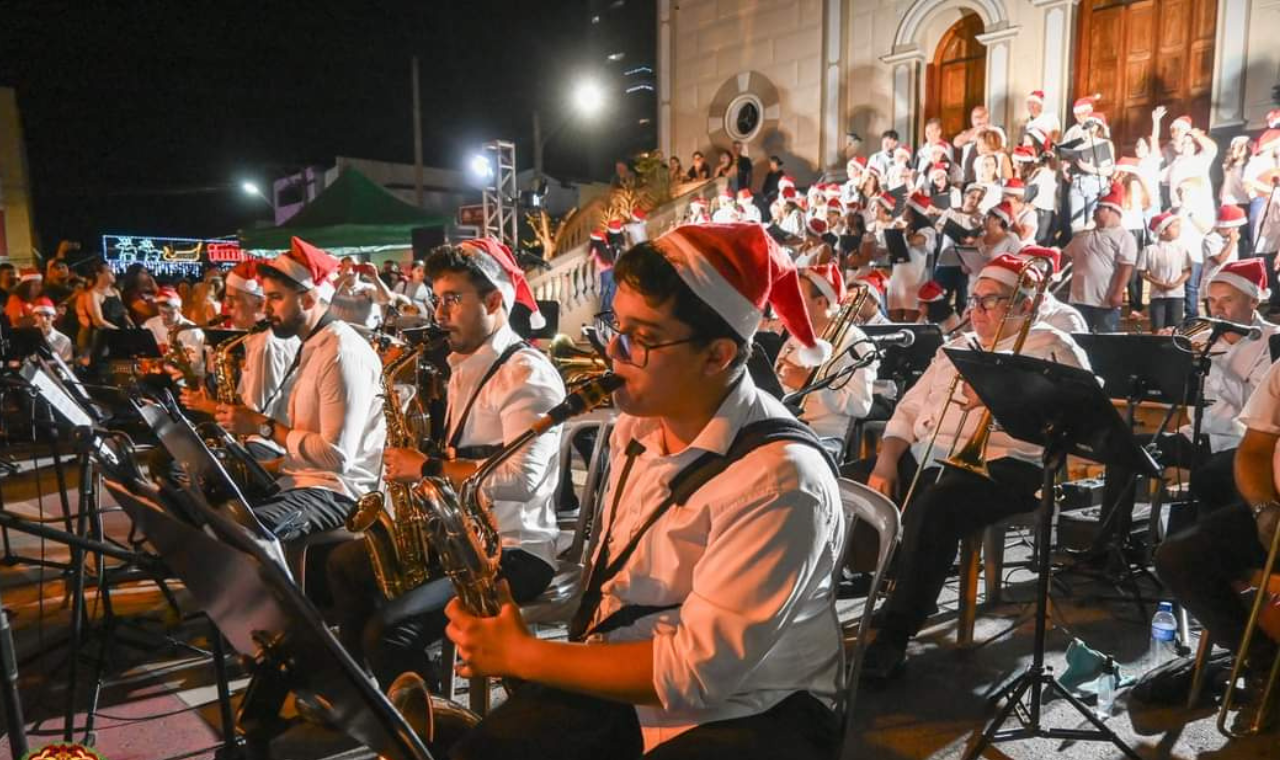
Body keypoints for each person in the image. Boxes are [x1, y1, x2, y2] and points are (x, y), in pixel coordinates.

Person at [444, 223, 845, 760]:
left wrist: (521, 655)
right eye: (617, 325)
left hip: (757, 709)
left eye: (643, 336)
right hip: (637, 671)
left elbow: (695, 675)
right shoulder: (637, 424)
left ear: (717, 355)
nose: (614, 348)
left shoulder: (780, 482)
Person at [327, 237, 561, 690]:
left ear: (494, 300)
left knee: (392, 632)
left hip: (514, 551)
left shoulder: (526, 373)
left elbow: (524, 480)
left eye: (452, 300)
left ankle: (435, 730)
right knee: (345, 563)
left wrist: (427, 468)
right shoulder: (464, 366)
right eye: (437, 300)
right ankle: (357, 697)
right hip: (460, 537)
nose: (438, 314)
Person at [855, 254, 1090, 679]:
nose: (975, 311)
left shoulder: (1053, 345)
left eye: (989, 301)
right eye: (974, 300)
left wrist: (1004, 399)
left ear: (1022, 304)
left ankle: (895, 633)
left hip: (1009, 464)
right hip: (932, 453)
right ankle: (876, 585)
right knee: (850, 486)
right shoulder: (958, 347)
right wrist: (887, 459)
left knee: (936, 507)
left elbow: (1076, 421)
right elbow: (908, 409)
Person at [213, 237, 385, 542]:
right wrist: (270, 466)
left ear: (308, 300)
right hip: (303, 480)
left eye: (276, 298)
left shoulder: (341, 352)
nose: (265, 309)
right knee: (204, 491)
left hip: (340, 493)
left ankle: (276, 591)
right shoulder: (312, 345)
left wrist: (261, 426)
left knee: (237, 528)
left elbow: (336, 458)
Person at [1104, 259, 1279, 537]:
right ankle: (1110, 545)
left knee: (1210, 477)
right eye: (1211, 300)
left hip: (1239, 444)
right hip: (1195, 436)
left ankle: (1205, 557)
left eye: (1227, 300)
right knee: (1122, 449)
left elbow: (1254, 406)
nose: (1217, 308)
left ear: (1253, 301)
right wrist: (1164, 359)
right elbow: (1170, 393)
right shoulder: (1199, 333)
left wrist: (1210, 363)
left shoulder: (1272, 341)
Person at [1153, 342, 1280, 679]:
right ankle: (1263, 662)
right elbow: (1254, 451)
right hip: (1276, 510)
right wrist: (1263, 508)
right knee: (1178, 557)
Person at [181, 260, 301, 428]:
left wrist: (205, 405)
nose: (226, 305)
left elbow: (256, 414)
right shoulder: (259, 337)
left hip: (266, 445)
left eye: (233, 299)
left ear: (259, 304)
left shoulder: (265, 343)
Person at [775, 263, 877, 449]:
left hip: (822, 439)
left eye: (798, 297)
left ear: (821, 302)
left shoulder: (855, 341)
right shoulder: (794, 338)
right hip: (786, 427)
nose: (790, 302)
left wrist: (810, 386)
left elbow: (861, 405)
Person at [1065, 183, 1136, 332]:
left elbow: (1126, 267)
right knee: (1081, 339)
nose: (1094, 213)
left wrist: (1118, 293)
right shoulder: (1082, 236)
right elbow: (1063, 257)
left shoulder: (1125, 237)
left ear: (1109, 210)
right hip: (1079, 300)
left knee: (1106, 341)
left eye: (1098, 209)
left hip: (1105, 301)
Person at [1138, 212, 1193, 332]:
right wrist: (1157, 283)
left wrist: (1176, 284)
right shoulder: (1150, 250)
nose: (1179, 230)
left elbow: (1187, 270)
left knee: (1175, 327)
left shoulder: (1181, 249)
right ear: (1162, 231)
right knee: (1157, 326)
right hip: (1157, 295)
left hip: (1176, 294)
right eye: (1175, 227)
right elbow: (1142, 271)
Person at [143, 287, 205, 378]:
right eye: (162, 312)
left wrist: (173, 371)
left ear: (179, 310)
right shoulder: (150, 325)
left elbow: (195, 364)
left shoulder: (193, 331)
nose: (165, 316)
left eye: (170, 313)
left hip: (187, 376)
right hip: (159, 374)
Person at [30, 297, 73, 361]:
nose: (43, 319)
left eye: (47, 315)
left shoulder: (64, 341)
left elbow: (67, 367)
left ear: (54, 317)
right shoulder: (26, 335)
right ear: (34, 316)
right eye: (39, 315)